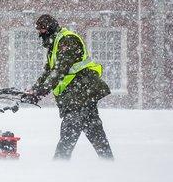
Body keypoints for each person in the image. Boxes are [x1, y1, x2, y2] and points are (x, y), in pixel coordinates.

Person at [24, 14, 114, 160]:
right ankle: (109, 163)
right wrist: (34, 89)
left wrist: (41, 92)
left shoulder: (67, 40)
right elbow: (48, 71)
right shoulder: (54, 46)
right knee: (95, 133)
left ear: (50, 28)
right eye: (39, 31)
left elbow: (60, 70)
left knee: (68, 135)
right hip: (78, 95)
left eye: (42, 30)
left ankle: (59, 167)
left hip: (81, 92)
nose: (40, 34)